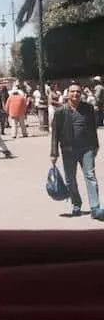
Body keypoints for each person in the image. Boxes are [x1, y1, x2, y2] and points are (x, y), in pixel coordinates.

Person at [50, 82, 104, 220]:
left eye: (78, 92)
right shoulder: (60, 112)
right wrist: (53, 153)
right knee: (70, 180)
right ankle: (76, 204)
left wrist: (95, 145)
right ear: (68, 94)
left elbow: (93, 128)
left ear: (82, 94)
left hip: (86, 148)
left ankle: (95, 208)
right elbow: (55, 133)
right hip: (68, 150)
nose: (76, 94)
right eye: (73, 92)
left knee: (90, 176)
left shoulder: (88, 108)